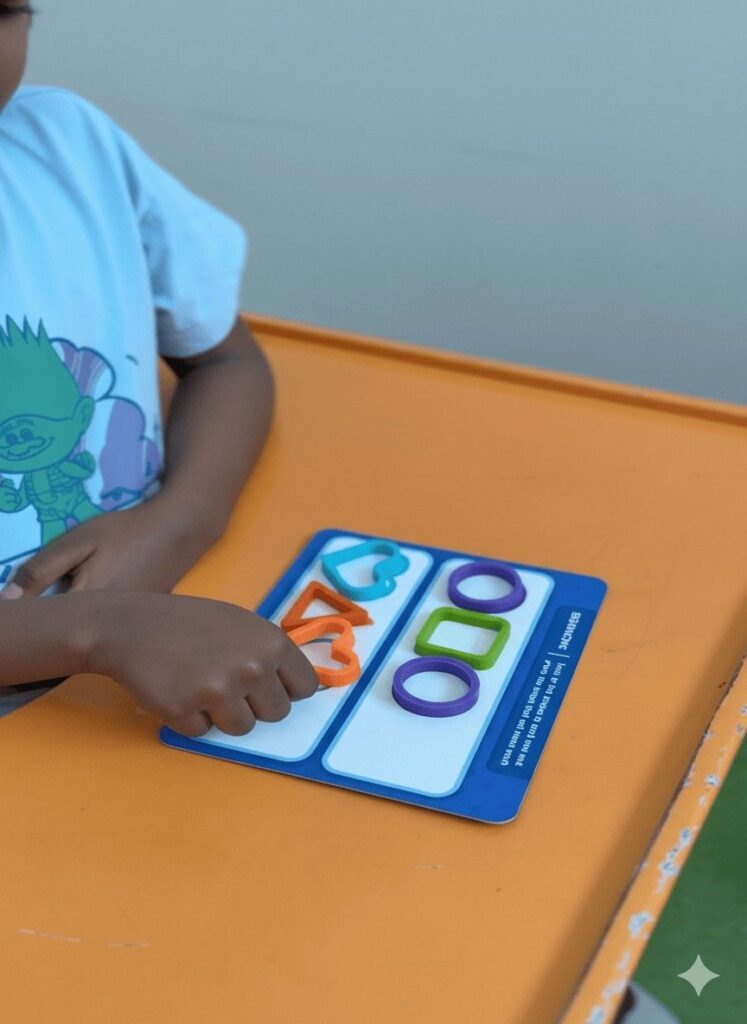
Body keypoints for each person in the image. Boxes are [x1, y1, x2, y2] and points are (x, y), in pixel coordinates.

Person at [0, 2, 319, 730]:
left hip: (147, 662)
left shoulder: (71, 149)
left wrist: (180, 518)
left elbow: (225, 359)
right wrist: (97, 630)